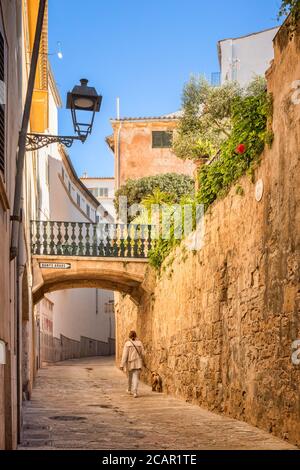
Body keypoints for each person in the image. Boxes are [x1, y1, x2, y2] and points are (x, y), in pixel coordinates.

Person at [120, 330, 145, 398]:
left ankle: (129, 389)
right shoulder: (140, 343)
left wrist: (122, 364)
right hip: (137, 362)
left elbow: (125, 355)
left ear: (129, 336)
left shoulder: (127, 344)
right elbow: (143, 353)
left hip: (130, 363)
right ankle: (135, 392)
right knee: (136, 377)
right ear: (136, 335)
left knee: (130, 377)